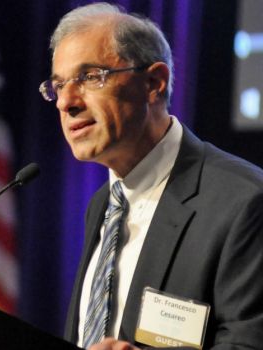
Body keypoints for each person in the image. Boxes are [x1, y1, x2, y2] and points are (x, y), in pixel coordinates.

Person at [39, 2, 263, 349]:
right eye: (58, 85)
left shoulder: (244, 202)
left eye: (89, 77)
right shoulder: (103, 205)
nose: (66, 102)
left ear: (154, 83)